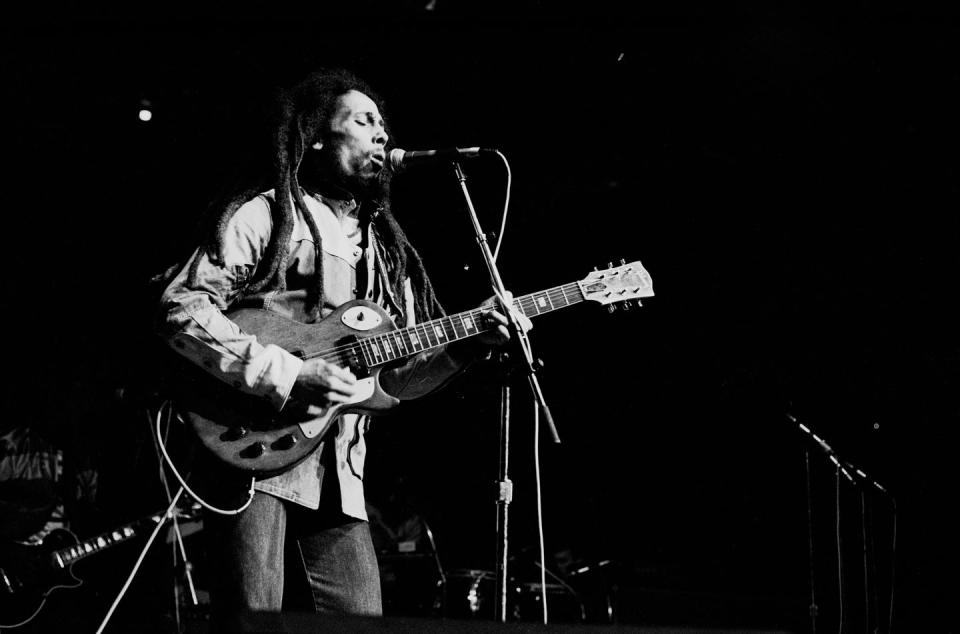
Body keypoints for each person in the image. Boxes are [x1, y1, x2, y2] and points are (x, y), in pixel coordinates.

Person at [153, 67, 523, 628]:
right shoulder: (269, 214)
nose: (381, 134)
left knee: (361, 620)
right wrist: (286, 374)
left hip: (341, 471)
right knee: (253, 622)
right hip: (256, 452)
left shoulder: (388, 255)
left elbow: (395, 382)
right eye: (363, 120)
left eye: (383, 124)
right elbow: (182, 307)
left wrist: (467, 347)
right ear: (317, 137)